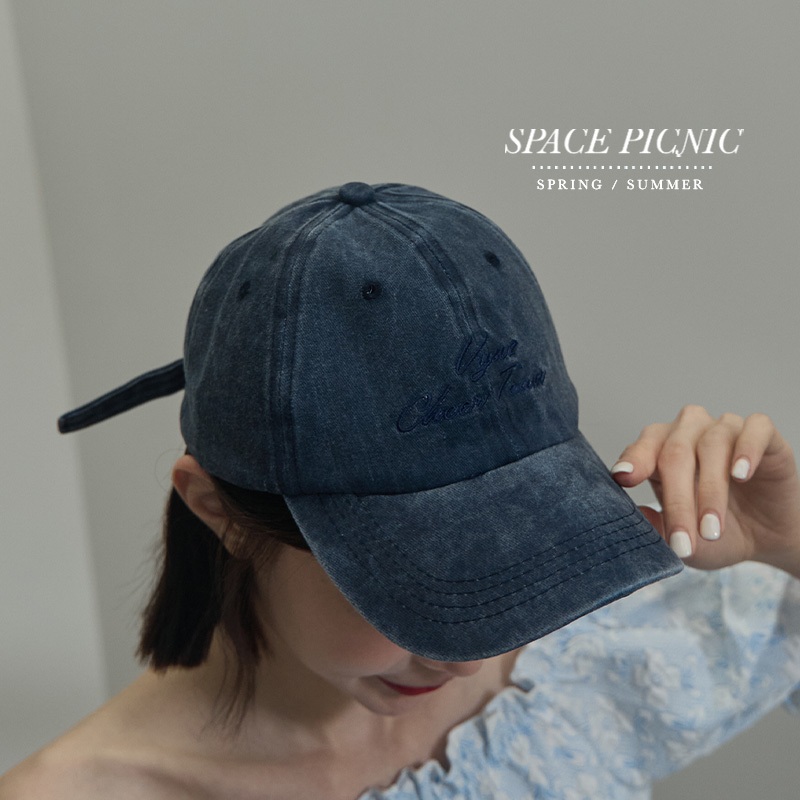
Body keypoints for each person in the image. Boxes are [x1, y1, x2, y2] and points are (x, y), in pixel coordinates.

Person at [2, 183, 798, 799]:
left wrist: (789, 540)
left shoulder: (571, 663)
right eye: (416, 586)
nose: (469, 657)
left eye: (514, 551)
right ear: (220, 512)